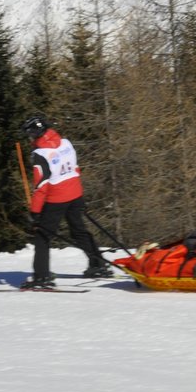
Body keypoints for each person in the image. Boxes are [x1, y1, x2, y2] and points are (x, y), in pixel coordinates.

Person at [19, 113, 115, 290]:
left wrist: (35, 212)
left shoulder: (40, 154)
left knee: (42, 237)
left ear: (36, 133)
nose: (30, 139)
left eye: (30, 135)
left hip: (56, 198)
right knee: (79, 231)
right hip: (75, 193)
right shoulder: (66, 143)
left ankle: (41, 277)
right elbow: (75, 169)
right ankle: (98, 264)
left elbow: (42, 186)